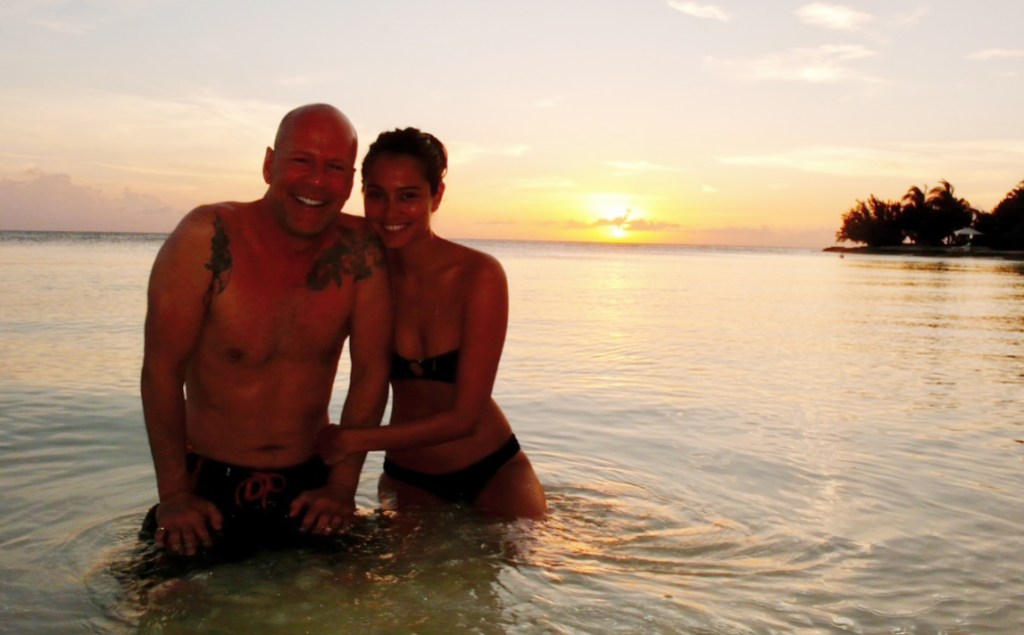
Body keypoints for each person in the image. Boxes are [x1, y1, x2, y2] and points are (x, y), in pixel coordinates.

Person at [139, 104, 391, 558]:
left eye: (334, 167)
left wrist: (341, 487)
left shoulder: (360, 253)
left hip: (313, 485)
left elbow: (372, 372)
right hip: (208, 486)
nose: (316, 181)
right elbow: (161, 370)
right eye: (301, 161)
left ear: (350, 181)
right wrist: (174, 496)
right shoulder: (206, 236)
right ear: (269, 163)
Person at [317, 127, 547, 519]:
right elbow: (300, 218)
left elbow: (465, 416)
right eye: (377, 195)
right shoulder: (365, 275)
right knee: (403, 580)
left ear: (436, 196)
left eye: (408, 196)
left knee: (538, 569)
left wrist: (351, 440)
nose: (390, 213)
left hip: (493, 469)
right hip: (409, 477)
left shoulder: (478, 275)